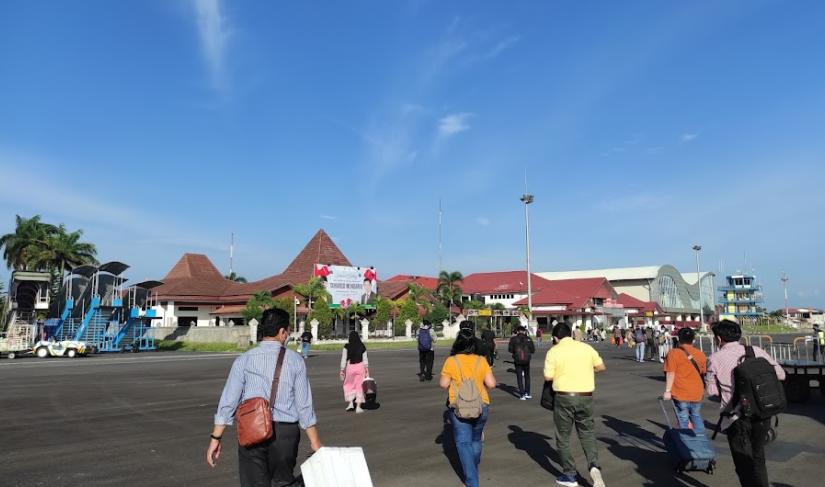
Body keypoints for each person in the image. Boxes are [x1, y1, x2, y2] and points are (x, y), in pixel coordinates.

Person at [207, 308, 322, 486]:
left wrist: (216, 438)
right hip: (285, 434)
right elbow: (304, 405)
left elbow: (228, 402)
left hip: (252, 429)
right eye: (288, 330)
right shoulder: (296, 361)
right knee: (282, 481)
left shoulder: (244, 360)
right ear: (282, 332)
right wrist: (315, 442)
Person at [706, 320, 786, 487]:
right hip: (762, 413)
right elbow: (781, 375)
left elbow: (712, 391)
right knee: (758, 457)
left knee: (744, 464)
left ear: (719, 339)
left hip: (736, 418)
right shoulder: (755, 351)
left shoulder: (715, 358)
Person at [544, 321, 606, 487]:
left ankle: (570, 475)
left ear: (556, 338)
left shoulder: (553, 351)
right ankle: (593, 465)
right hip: (585, 396)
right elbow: (601, 367)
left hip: (564, 397)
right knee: (587, 432)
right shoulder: (586, 348)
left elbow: (548, 377)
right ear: (571, 334)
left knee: (563, 437)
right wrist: (586, 370)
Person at [440, 328, 497, 487]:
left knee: (463, 443)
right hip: (481, 405)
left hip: (459, 407)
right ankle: (472, 470)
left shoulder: (451, 361)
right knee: (476, 439)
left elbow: (443, 384)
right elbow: (492, 384)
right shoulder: (481, 360)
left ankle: (472, 482)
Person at [663, 327, 707, 434]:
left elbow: (670, 372)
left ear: (678, 338)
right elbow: (703, 371)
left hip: (681, 391)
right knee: (696, 415)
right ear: (693, 339)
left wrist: (668, 390)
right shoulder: (700, 353)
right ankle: (701, 440)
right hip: (697, 391)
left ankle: (686, 442)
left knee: (683, 417)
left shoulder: (673, 353)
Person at [340, 331, 370, 413]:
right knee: (359, 386)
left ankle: (350, 403)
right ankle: (358, 407)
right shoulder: (362, 346)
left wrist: (342, 369)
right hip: (360, 367)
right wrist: (367, 370)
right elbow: (365, 359)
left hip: (350, 367)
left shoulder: (346, 346)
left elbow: (344, 359)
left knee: (349, 385)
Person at [508, 326, 536, 400]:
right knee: (527, 376)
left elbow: (510, 350)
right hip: (527, 360)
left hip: (517, 360)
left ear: (517, 331)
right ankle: (527, 393)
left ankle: (522, 394)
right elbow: (533, 350)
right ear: (524, 331)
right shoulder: (529, 339)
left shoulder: (513, 339)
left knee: (519, 377)